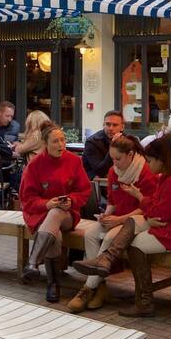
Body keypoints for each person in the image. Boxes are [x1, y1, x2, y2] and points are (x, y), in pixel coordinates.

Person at [72, 136, 171, 317]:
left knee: (136, 243)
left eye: (151, 160)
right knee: (132, 227)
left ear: (162, 160)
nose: (148, 164)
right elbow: (156, 209)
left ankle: (143, 301)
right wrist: (147, 211)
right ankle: (107, 262)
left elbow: (159, 214)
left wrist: (140, 199)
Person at [68, 135, 158, 313]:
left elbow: (146, 208)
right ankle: (100, 286)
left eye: (118, 159)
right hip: (118, 217)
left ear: (130, 154)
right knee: (91, 233)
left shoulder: (145, 172)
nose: (114, 163)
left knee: (109, 237)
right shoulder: (113, 172)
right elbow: (112, 201)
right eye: (112, 159)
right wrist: (106, 215)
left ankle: (88, 289)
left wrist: (119, 219)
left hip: (138, 219)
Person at [20, 123, 91, 303]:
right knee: (56, 236)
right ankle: (53, 283)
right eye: (55, 141)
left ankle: (33, 262)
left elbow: (84, 190)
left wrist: (71, 200)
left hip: (67, 213)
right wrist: (46, 204)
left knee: (56, 213)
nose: (61, 145)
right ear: (45, 144)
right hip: (40, 213)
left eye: (63, 140)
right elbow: (27, 199)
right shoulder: (35, 165)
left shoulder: (74, 161)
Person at [82, 111, 125, 179]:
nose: (110, 128)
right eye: (108, 124)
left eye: (115, 125)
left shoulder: (126, 139)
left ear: (122, 127)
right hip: (96, 181)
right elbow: (100, 171)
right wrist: (113, 146)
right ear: (103, 125)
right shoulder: (92, 142)